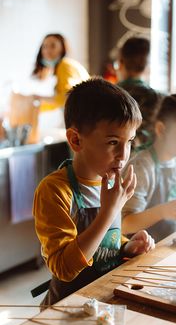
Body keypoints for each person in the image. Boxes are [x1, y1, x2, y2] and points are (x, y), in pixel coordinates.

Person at [33, 77, 155, 306]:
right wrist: (108, 212)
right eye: (112, 142)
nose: (123, 154)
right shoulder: (55, 191)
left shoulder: (109, 181)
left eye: (129, 141)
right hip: (67, 310)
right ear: (76, 140)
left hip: (106, 301)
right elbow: (64, 269)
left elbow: (105, 244)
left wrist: (126, 246)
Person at [122, 92, 176, 242]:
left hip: (172, 244)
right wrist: (163, 211)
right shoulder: (141, 166)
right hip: (142, 254)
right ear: (161, 129)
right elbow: (124, 225)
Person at [116, 36, 164, 149]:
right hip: (149, 162)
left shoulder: (105, 95)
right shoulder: (159, 99)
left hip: (112, 161)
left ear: (120, 63)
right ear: (148, 67)